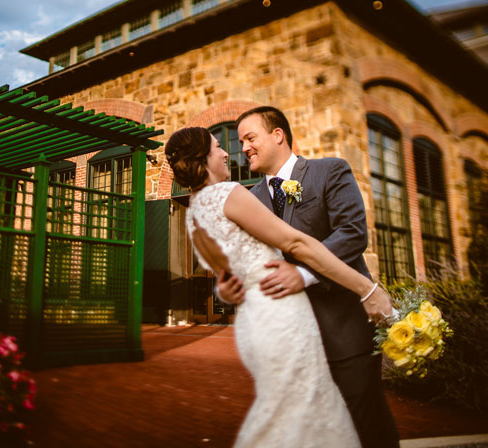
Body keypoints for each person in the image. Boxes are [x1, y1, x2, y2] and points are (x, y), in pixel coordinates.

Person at [164, 126, 393, 448]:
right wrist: (367, 289)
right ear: (202, 158)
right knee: (303, 409)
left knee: (292, 407)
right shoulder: (230, 194)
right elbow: (296, 243)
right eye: (218, 147)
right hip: (283, 317)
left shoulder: (195, 212)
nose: (227, 152)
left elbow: (227, 278)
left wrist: (226, 292)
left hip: (256, 323)